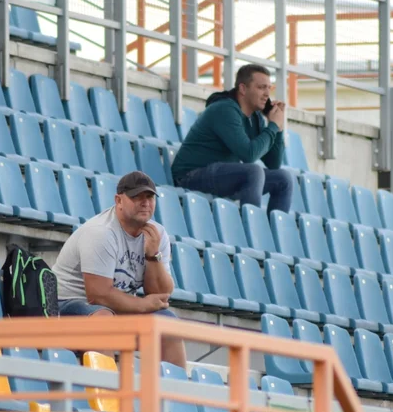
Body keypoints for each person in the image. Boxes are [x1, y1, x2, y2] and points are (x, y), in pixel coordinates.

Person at [52, 170, 187, 367]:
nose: (145, 202)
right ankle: (105, 395)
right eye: (136, 197)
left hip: (114, 308)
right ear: (119, 200)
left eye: (149, 197)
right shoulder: (101, 232)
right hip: (66, 305)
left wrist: (153, 256)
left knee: (167, 325)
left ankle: (173, 396)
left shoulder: (157, 234)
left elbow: (160, 294)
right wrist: (142, 305)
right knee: (104, 320)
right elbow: (98, 295)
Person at [171, 63, 292, 213]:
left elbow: (273, 163)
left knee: (283, 178)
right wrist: (273, 126)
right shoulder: (225, 109)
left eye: (269, 88)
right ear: (242, 88)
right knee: (253, 172)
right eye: (261, 87)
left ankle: (273, 233)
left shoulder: (255, 117)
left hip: (222, 176)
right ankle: (251, 231)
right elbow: (249, 155)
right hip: (191, 176)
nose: (267, 94)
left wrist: (278, 128)